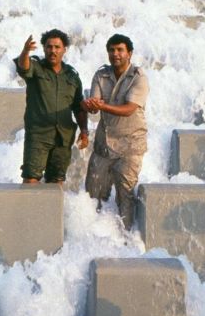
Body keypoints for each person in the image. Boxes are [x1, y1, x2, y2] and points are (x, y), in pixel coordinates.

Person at [82, 33, 148, 228]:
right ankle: (93, 235)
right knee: (92, 193)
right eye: (111, 50)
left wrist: (101, 106)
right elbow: (95, 107)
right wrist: (90, 105)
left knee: (125, 194)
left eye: (120, 50)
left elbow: (129, 109)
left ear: (129, 53)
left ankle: (127, 239)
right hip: (104, 144)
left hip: (131, 146)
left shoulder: (139, 77)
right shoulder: (100, 75)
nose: (115, 54)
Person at [16, 29, 88, 184]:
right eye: (49, 47)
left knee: (56, 182)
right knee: (31, 179)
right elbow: (24, 67)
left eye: (57, 47)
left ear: (64, 50)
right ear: (44, 49)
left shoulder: (72, 75)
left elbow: (78, 106)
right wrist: (25, 51)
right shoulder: (36, 66)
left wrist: (84, 131)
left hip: (63, 138)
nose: (53, 51)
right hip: (38, 136)